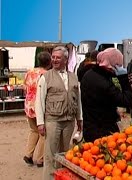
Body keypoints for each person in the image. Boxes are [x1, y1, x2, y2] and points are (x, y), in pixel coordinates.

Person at [35, 46, 82, 180]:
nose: (54, 60)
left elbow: (78, 100)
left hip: (69, 122)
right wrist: (40, 123)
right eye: (53, 57)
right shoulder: (46, 77)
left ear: (66, 60)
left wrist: (80, 119)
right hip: (52, 121)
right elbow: (39, 100)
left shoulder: (73, 77)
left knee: (65, 155)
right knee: (50, 156)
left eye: (58, 57)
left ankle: (61, 177)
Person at [80, 48, 132, 142]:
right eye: (118, 65)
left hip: (89, 128)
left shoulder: (89, 74)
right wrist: (123, 78)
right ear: (112, 65)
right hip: (103, 132)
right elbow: (126, 100)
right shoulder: (103, 83)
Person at [23, 51, 51, 167]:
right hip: (40, 106)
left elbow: (25, 87)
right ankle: (40, 159)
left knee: (33, 130)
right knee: (43, 133)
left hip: (29, 105)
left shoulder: (30, 72)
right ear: (49, 62)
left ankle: (28, 155)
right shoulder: (47, 75)